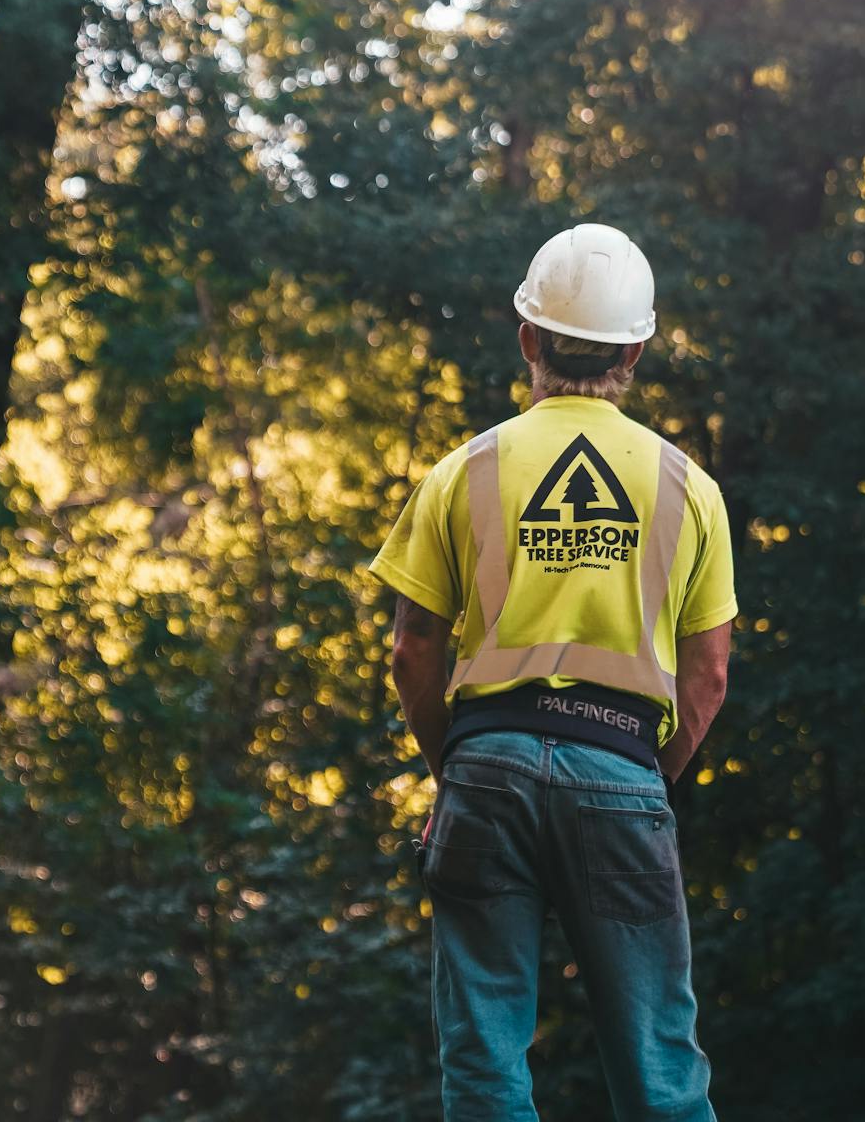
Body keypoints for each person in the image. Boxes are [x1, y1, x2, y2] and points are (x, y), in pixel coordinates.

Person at [369, 223, 736, 1121]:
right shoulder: (688, 487)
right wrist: (644, 778)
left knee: (486, 1060)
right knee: (660, 1069)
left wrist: (452, 769)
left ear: (528, 337)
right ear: (637, 350)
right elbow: (708, 676)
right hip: (621, 765)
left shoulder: (464, 471)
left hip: (486, 769)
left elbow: (413, 649)